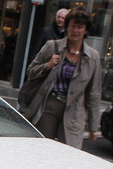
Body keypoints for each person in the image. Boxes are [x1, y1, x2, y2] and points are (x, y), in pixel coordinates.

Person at [22, 7, 101, 150]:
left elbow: (94, 93)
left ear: (86, 30)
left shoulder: (93, 57)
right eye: (72, 26)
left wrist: (93, 126)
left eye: (80, 27)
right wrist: (48, 65)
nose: (75, 30)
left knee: (70, 153)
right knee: (44, 150)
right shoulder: (52, 46)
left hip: (74, 112)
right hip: (49, 107)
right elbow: (30, 71)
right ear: (67, 27)